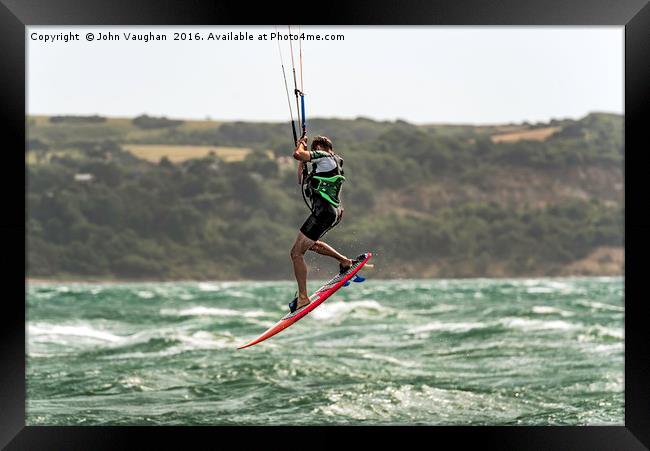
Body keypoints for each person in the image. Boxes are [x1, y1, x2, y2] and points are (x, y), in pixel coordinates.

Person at [288, 135, 359, 313]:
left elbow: (298, 155)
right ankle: (345, 262)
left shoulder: (325, 157)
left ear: (320, 147)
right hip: (330, 213)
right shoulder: (332, 163)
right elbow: (301, 179)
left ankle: (303, 297)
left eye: (315, 149)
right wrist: (302, 152)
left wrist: (301, 148)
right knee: (310, 244)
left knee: (296, 253)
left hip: (324, 213)